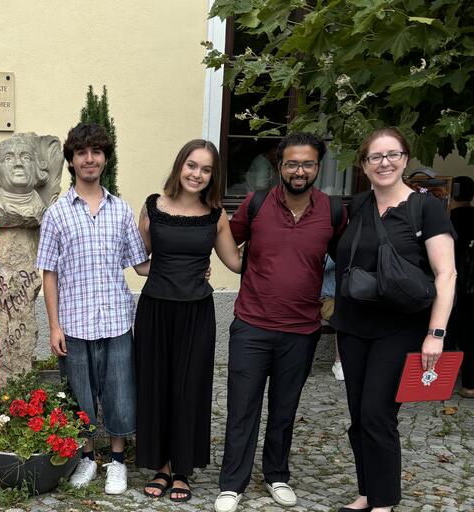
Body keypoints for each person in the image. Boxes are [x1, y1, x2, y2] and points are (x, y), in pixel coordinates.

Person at [214, 132, 346, 512]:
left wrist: (334, 298)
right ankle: (232, 484)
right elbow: (227, 238)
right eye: (292, 163)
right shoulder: (256, 204)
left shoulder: (333, 211)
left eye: (307, 163)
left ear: (318, 166)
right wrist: (234, 266)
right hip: (252, 325)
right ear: (280, 166)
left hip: (302, 329)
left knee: (284, 409)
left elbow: (343, 257)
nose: (299, 171)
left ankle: (276, 475)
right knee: (242, 408)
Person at [331, 128, 456, 512]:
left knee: (377, 414)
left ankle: (384, 502)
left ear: (404, 158)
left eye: (392, 155)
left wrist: (435, 334)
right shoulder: (357, 205)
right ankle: (367, 492)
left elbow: (446, 275)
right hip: (354, 326)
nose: (384, 163)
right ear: (364, 165)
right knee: (358, 416)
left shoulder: (425, 207)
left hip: (400, 327)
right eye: (375, 157)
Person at [36, 122, 149, 495]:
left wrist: (186, 258)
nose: (89, 159)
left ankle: (117, 461)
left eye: (96, 152)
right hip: (73, 323)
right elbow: (48, 273)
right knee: (79, 395)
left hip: (116, 321)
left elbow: (141, 263)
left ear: (105, 159)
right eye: (82, 152)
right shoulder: (56, 214)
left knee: (119, 393)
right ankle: (87, 456)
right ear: (71, 159)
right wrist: (54, 326)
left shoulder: (121, 210)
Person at [136, 139, 240, 502]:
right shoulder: (152, 207)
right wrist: (169, 269)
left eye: (206, 169)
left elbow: (236, 262)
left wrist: (273, 241)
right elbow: (138, 261)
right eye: (192, 165)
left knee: (190, 387)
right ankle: (160, 466)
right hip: (155, 309)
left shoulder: (216, 214)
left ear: (214, 176)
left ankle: (183, 469)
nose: (197, 174)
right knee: (157, 385)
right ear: (180, 166)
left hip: (197, 311)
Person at [447, 176, 474, 397]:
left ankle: (438, 381)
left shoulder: (448, 218)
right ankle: (469, 384)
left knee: (445, 332)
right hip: (472, 286)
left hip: (452, 283)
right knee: (470, 335)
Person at [320, 256, 344, 381]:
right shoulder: (330, 249)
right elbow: (325, 264)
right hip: (328, 299)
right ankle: (339, 362)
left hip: (347, 298)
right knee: (342, 315)